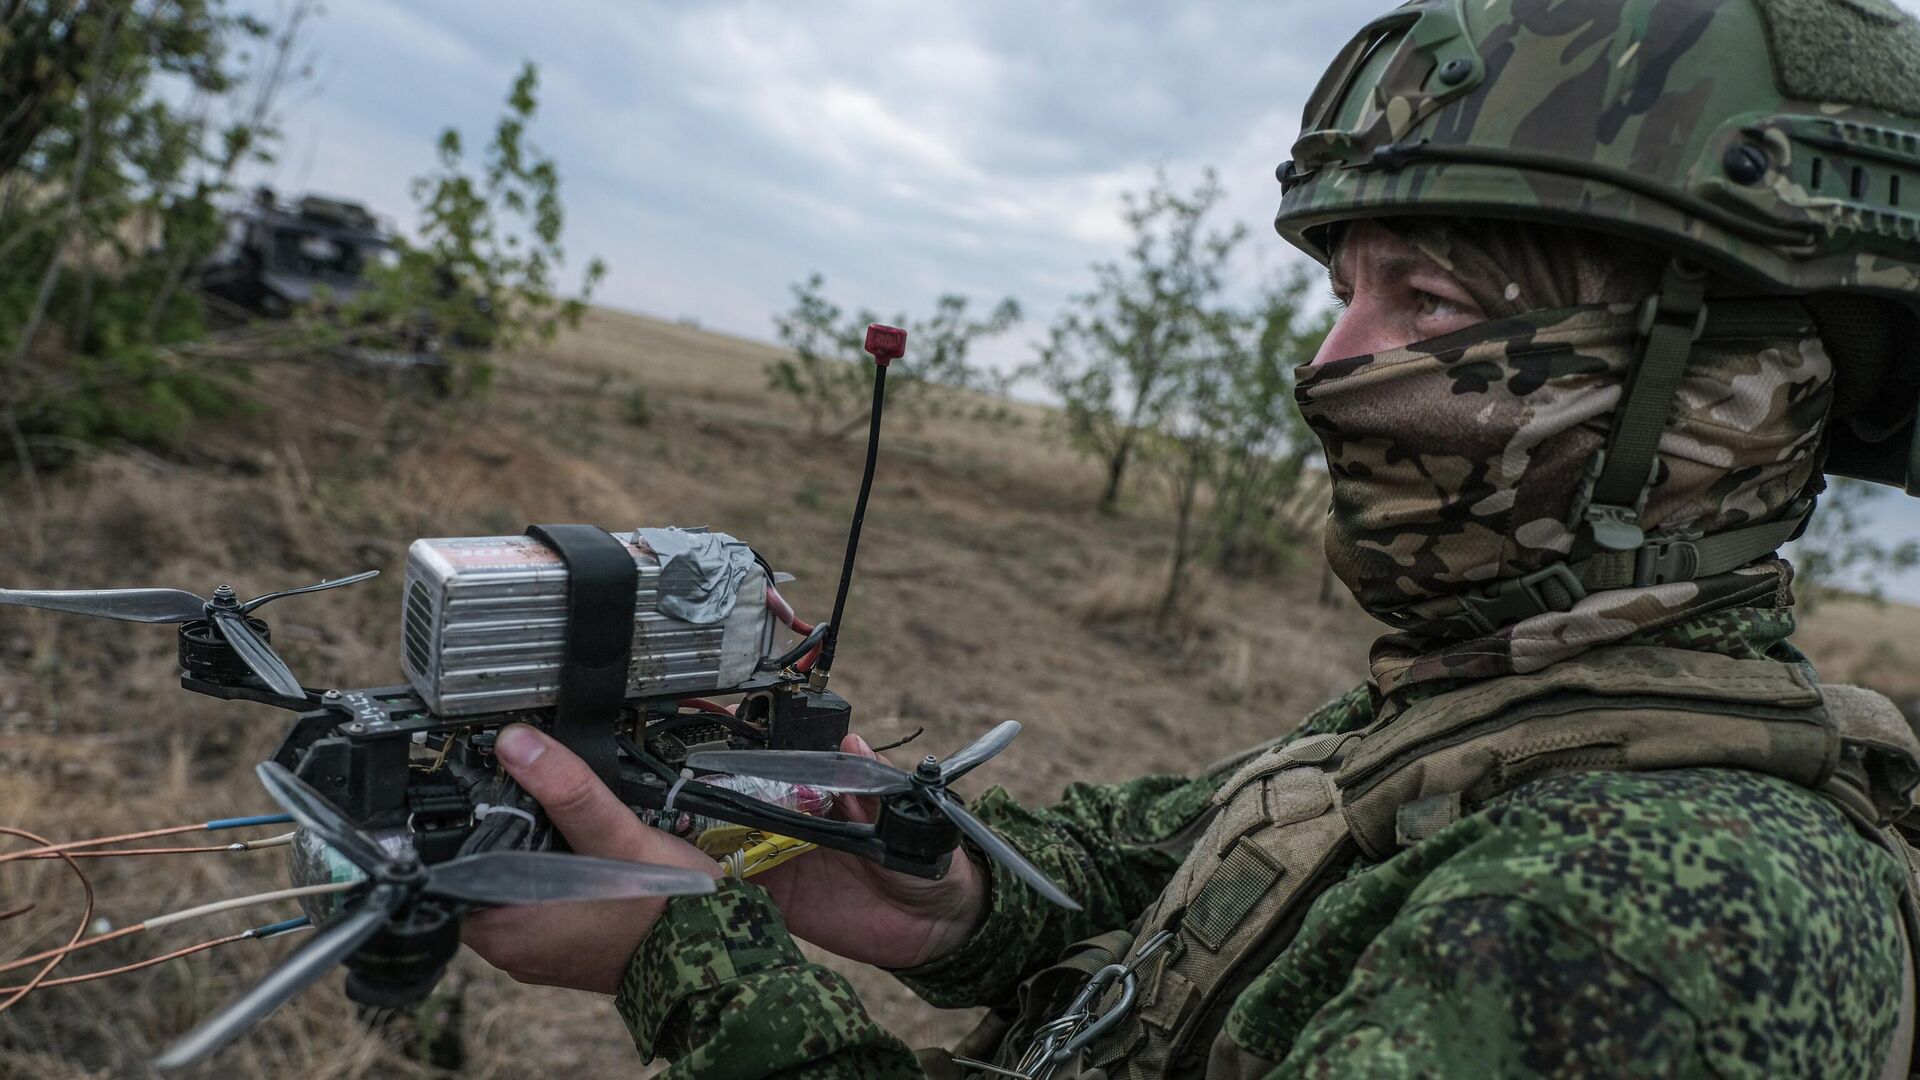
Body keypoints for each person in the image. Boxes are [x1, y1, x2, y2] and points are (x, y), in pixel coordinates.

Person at [463, 0, 1920, 1075]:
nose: (1331, 369)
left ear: (1694, 389)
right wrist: (947, 891)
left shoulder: (1650, 916)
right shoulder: (1514, 694)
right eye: (1342, 295)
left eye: (1428, 309)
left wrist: (684, 961)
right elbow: (1177, 865)